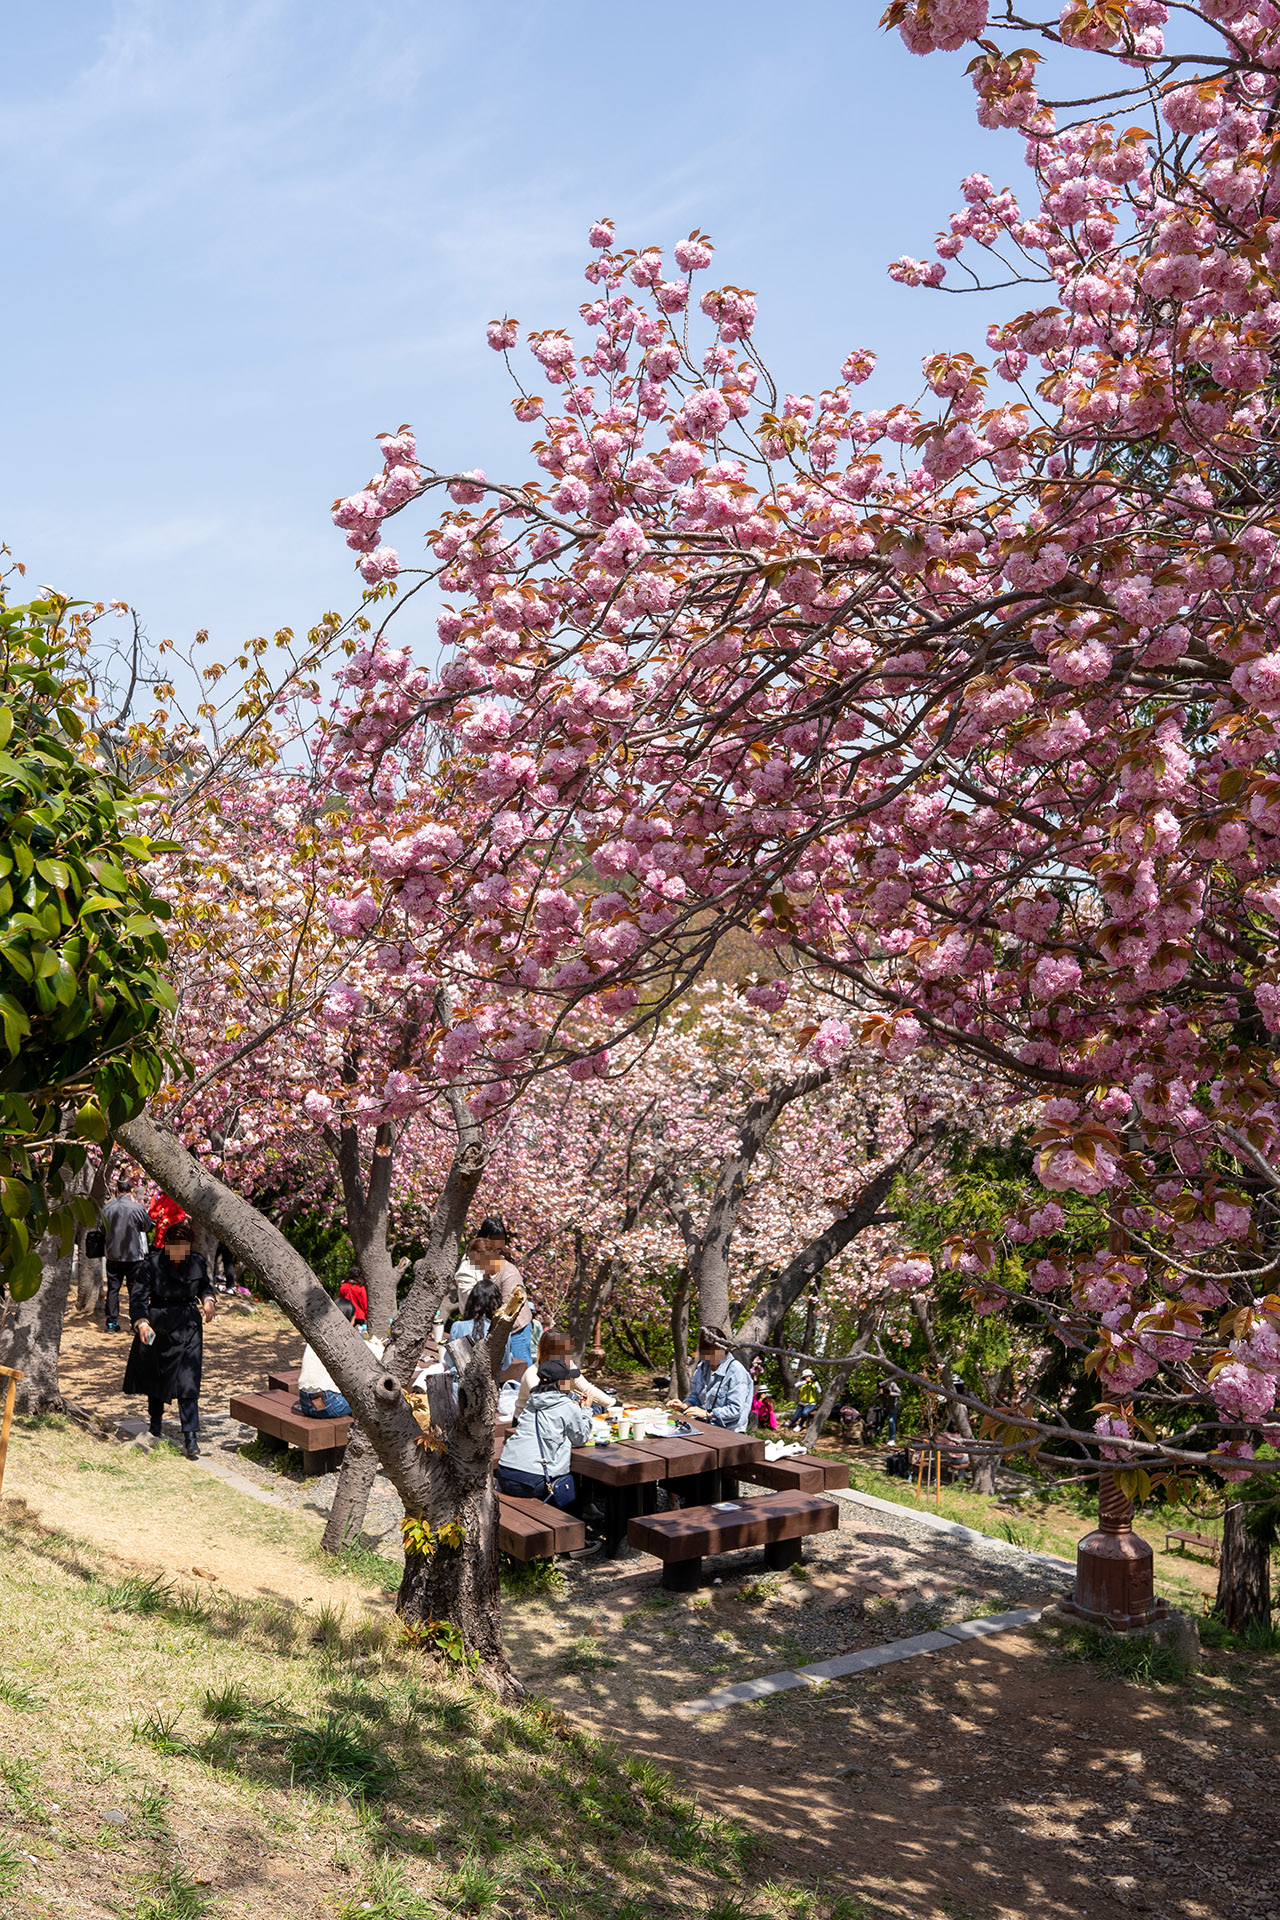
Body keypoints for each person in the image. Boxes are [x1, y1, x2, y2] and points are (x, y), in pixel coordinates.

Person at [122, 1220, 215, 1460]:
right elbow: (139, 1297)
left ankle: (191, 1436)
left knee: (188, 1380)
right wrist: (141, 1322)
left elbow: (205, 1285)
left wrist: (208, 1300)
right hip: (159, 1324)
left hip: (189, 1324)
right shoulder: (151, 1264)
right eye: (175, 1247)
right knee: (157, 1375)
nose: (179, 1253)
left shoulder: (197, 1262)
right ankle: (155, 1426)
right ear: (167, 1245)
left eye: (184, 1247)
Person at [496, 1358, 592, 1506]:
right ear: (561, 1383)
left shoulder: (532, 1402)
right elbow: (581, 1438)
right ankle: (577, 1522)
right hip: (530, 1480)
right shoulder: (566, 1406)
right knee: (570, 1490)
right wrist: (585, 1410)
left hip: (504, 1472)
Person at [457, 1216, 533, 1368]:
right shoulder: (488, 1270)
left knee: (519, 1371)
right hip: (495, 1330)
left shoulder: (508, 1274)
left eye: (476, 1263)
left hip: (516, 1328)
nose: (474, 1267)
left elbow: (509, 1311)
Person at [297, 1299, 384, 1416]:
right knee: (371, 1401)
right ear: (349, 1318)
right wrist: (379, 1345)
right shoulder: (344, 1337)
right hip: (330, 1404)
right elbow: (377, 1354)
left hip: (306, 1403)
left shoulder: (317, 1334)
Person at [511, 1326, 616, 1420]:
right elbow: (548, 1407)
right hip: (531, 1422)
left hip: (558, 1415)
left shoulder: (567, 1363)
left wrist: (613, 1404)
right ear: (548, 1353)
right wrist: (575, 1407)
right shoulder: (533, 1376)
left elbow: (587, 1388)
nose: (568, 1357)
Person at [669, 1325, 753, 1432]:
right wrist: (685, 1405)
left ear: (723, 1349)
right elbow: (696, 1395)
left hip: (730, 1431)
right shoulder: (702, 1367)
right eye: (707, 1354)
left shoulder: (736, 1371)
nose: (711, 1358)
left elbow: (735, 1410)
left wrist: (707, 1413)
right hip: (705, 1426)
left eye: (715, 1352)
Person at [98, 1177, 152, 1332]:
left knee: (113, 1288)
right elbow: (146, 1226)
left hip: (113, 1254)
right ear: (131, 1191)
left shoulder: (107, 1208)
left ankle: (111, 1322)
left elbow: (101, 1229)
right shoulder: (137, 1208)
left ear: (117, 1190)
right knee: (135, 1289)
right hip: (133, 1255)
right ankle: (135, 1323)